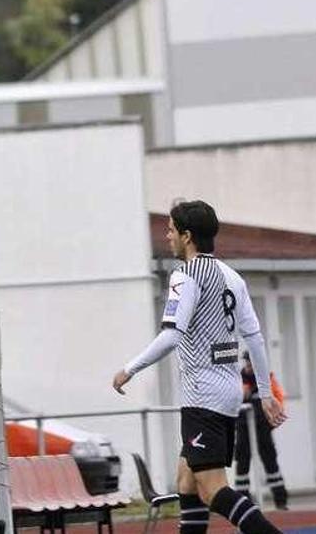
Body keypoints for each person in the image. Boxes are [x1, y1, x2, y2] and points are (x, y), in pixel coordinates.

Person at [112, 201, 287, 534]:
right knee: (186, 482)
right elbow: (255, 338)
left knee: (212, 488)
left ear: (187, 236)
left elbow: (172, 335)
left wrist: (130, 368)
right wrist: (265, 394)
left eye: (171, 230)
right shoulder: (231, 277)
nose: (167, 237)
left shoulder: (186, 275)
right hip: (227, 393)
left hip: (202, 396)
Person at [234, 354, 289, 509]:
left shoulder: (267, 380)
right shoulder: (239, 378)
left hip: (263, 427)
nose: (249, 367)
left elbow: (279, 399)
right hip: (244, 427)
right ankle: (243, 499)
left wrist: (273, 420)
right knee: (242, 462)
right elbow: (236, 398)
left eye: (252, 363)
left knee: (270, 461)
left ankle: (280, 498)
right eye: (247, 363)